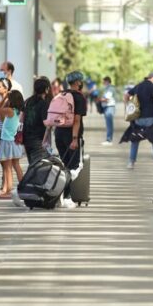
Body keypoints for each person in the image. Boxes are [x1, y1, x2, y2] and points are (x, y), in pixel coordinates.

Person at [55, 71, 88, 209]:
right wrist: (74, 139)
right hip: (71, 136)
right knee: (75, 167)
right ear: (78, 83)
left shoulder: (61, 95)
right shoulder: (78, 97)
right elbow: (76, 120)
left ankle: (58, 194)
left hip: (59, 133)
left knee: (64, 164)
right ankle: (66, 197)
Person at [125, 72, 153, 170]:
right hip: (150, 117)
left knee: (135, 139)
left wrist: (128, 107)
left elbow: (126, 95)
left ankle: (131, 162)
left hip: (138, 117)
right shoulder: (152, 86)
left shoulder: (138, 86)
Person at [0, 90, 24, 197]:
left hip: (7, 141)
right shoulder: (18, 111)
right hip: (15, 142)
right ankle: (23, 187)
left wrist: (4, 98)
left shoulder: (9, 110)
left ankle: (7, 190)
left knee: (7, 167)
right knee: (16, 165)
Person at [20, 77, 52, 167]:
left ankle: (31, 180)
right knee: (40, 166)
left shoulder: (28, 101)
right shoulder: (44, 103)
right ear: (46, 89)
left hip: (26, 138)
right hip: (38, 140)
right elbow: (46, 123)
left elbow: (21, 118)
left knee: (32, 165)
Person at [98, 76, 117, 146]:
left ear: (107, 81)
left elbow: (106, 99)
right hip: (107, 107)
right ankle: (108, 139)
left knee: (109, 124)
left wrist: (99, 99)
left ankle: (109, 140)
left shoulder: (110, 89)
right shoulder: (107, 89)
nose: (103, 83)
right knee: (108, 124)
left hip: (109, 107)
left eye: (104, 81)